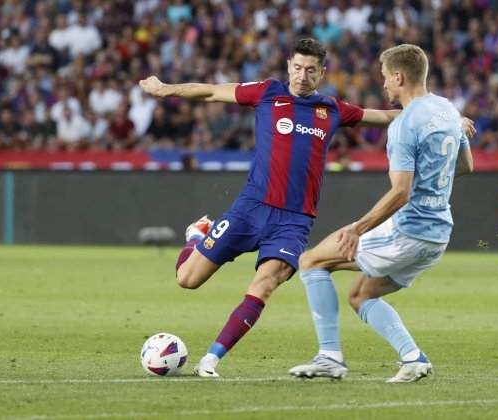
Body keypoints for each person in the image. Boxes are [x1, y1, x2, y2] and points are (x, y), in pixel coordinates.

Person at [139, 38, 401, 377]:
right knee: (187, 279)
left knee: (264, 284)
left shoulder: (332, 109)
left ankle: (211, 360)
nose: (302, 76)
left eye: (310, 70)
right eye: (297, 68)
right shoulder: (267, 93)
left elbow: (385, 116)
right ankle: (196, 237)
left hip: (293, 222)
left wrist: (444, 115)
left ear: (321, 73)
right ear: (288, 65)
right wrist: (167, 89)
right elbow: (210, 91)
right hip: (249, 210)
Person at [287, 44, 474, 383]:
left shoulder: (404, 126)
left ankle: (329, 357)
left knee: (311, 261)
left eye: (386, 78)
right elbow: (467, 166)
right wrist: (432, 183)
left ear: (399, 77)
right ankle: (414, 358)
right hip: (438, 235)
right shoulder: (447, 111)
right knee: (361, 294)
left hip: (408, 232)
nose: (384, 85)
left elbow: (401, 192)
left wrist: (358, 228)